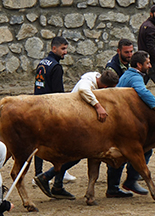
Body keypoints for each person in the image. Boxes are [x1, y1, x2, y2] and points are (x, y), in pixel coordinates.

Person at [34, 70, 119, 200]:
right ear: (105, 87)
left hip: (73, 121)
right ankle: (46, 177)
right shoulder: (87, 83)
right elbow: (84, 90)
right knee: (74, 155)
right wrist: (98, 106)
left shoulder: (94, 78)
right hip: (69, 122)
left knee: (71, 155)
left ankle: (56, 185)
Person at [106, 51, 155, 198]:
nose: (149, 66)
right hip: (124, 122)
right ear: (139, 65)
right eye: (147, 63)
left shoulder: (127, 75)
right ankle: (131, 180)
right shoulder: (135, 77)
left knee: (119, 154)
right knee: (144, 150)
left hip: (118, 119)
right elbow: (143, 92)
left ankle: (113, 187)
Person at [32, 36, 75, 183]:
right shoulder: (56, 67)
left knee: (38, 142)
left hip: (37, 104)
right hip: (49, 109)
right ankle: (60, 169)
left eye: (66, 48)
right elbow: (58, 93)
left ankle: (38, 173)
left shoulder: (42, 63)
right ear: (54, 48)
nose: (65, 52)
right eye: (63, 49)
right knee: (59, 141)